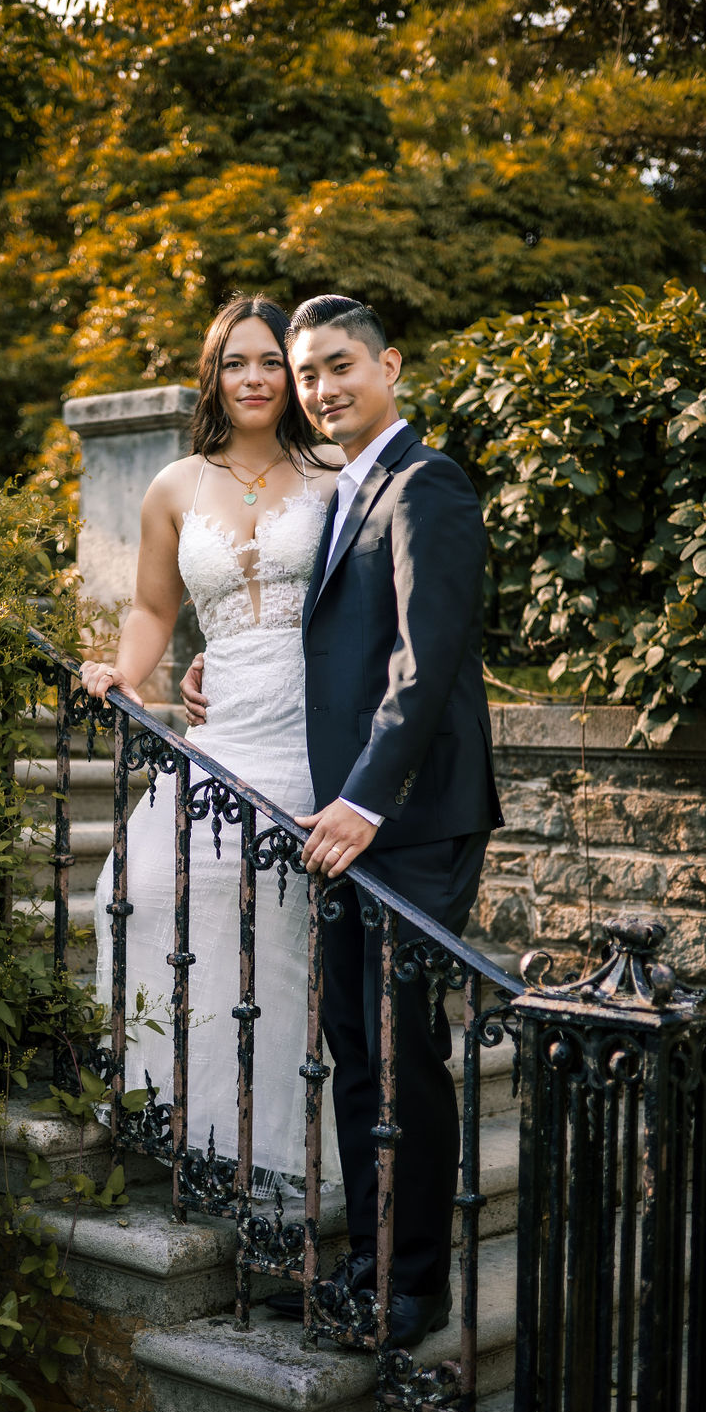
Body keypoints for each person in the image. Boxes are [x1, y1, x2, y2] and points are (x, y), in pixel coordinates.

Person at [182, 295, 503, 1345]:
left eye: (336, 367)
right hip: (345, 820)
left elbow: (426, 659)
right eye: (306, 373)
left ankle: (414, 1291)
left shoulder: (427, 484)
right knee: (356, 1056)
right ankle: (363, 1270)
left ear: (389, 366)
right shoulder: (343, 490)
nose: (317, 389)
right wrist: (216, 669)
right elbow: (326, 646)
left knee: (403, 1056)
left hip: (409, 820)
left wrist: (364, 799)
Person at [79, 294, 343, 1191]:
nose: (256, 378)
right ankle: (187, 1120)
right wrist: (131, 673)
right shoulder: (177, 486)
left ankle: (275, 1164)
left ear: (293, 373)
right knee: (142, 886)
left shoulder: (336, 475)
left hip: (312, 728)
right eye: (237, 363)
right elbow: (155, 608)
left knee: (278, 932)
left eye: (271, 361)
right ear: (214, 376)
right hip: (223, 724)